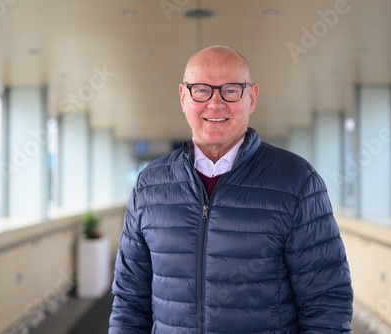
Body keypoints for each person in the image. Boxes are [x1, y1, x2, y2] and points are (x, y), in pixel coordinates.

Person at [109, 45, 353, 333]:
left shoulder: (298, 183)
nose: (215, 103)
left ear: (252, 97)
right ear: (183, 97)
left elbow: (326, 305)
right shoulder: (149, 185)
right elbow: (129, 304)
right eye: (201, 90)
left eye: (231, 89)